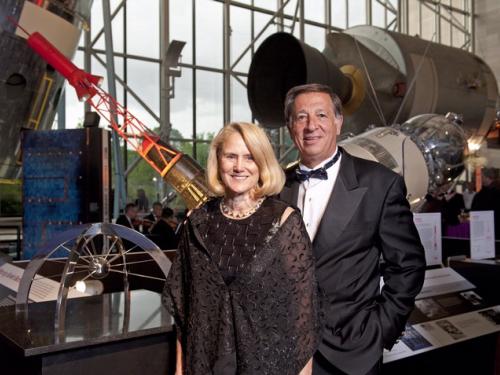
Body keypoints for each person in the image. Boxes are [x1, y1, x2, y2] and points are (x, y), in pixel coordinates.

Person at [280, 84, 426, 375]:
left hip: (351, 353)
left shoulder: (380, 184)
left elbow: (408, 266)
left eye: (321, 115)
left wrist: (379, 331)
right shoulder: (274, 187)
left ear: (338, 121)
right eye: (301, 117)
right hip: (283, 351)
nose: (311, 126)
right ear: (290, 126)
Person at [163, 122, 319, 374]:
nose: (239, 166)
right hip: (207, 365)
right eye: (231, 156)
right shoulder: (197, 222)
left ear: (262, 163)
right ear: (218, 161)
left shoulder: (285, 222)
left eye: (249, 157)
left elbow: (303, 319)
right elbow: (185, 311)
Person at [471, 167, 500, 238]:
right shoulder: (482, 191)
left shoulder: (497, 190)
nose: (476, 179)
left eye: (478, 176)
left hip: (494, 228)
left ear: (486, 176)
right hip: (484, 228)